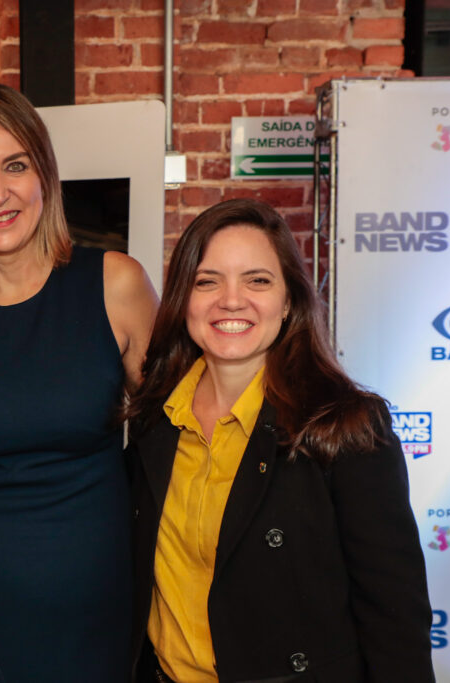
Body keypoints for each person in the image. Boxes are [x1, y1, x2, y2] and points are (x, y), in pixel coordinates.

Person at [0, 82, 158, 682]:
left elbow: (174, 440)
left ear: (43, 172)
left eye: (14, 165)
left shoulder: (116, 284)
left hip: (96, 597)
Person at [125, 198, 434, 682]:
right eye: (207, 281)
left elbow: (396, 618)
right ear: (184, 297)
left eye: (258, 280)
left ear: (289, 300)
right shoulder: (154, 421)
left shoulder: (346, 426)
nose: (231, 300)